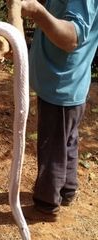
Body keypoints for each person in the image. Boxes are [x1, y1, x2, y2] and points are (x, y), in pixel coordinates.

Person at [21, 0, 98, 214]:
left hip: (61, 86)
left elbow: (72, 38)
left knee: (52, 147)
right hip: (65, 84)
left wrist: (37, 12)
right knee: (66, 140)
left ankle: (47, 202)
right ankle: (67, 190)